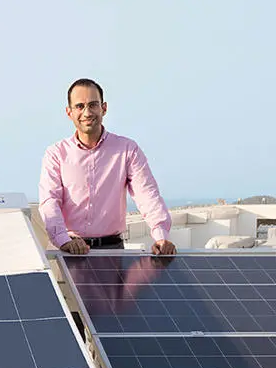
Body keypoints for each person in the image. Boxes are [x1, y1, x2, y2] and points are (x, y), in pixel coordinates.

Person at [38, 78, 175, 257]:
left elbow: (147, 194)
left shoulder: (127, 149)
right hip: (68, 250)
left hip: (112, 252)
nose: (87, 112)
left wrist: (160, 236)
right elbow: (49, 201)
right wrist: (64, 240)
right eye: (79, 106)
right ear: (69, 112)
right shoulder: (56, 154)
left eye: (93, 105)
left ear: (104, 108)